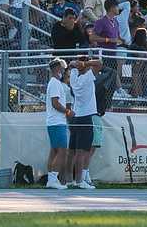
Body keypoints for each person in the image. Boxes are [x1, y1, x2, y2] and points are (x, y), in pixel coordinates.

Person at [68, 56, 103, 190]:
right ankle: (79, 181)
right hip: (86, 117)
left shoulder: (74, 77)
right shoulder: (88, 76)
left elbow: (74, 68)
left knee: (73, 152)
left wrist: (75, 65)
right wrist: (83, 63)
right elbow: (99, 63)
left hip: (76, 118)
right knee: (82, 152)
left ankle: (70, 180)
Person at [44, 58, 74, 189]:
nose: (64, 70)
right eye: (62, 68)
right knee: (62, 151)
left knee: (54, 151)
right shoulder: (55, 83)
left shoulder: (53, 83)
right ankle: (52, 179)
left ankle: (51, 179)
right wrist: (67, 111)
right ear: (57, 69)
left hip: (53, 122)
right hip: (57, 122)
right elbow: (55, 103)